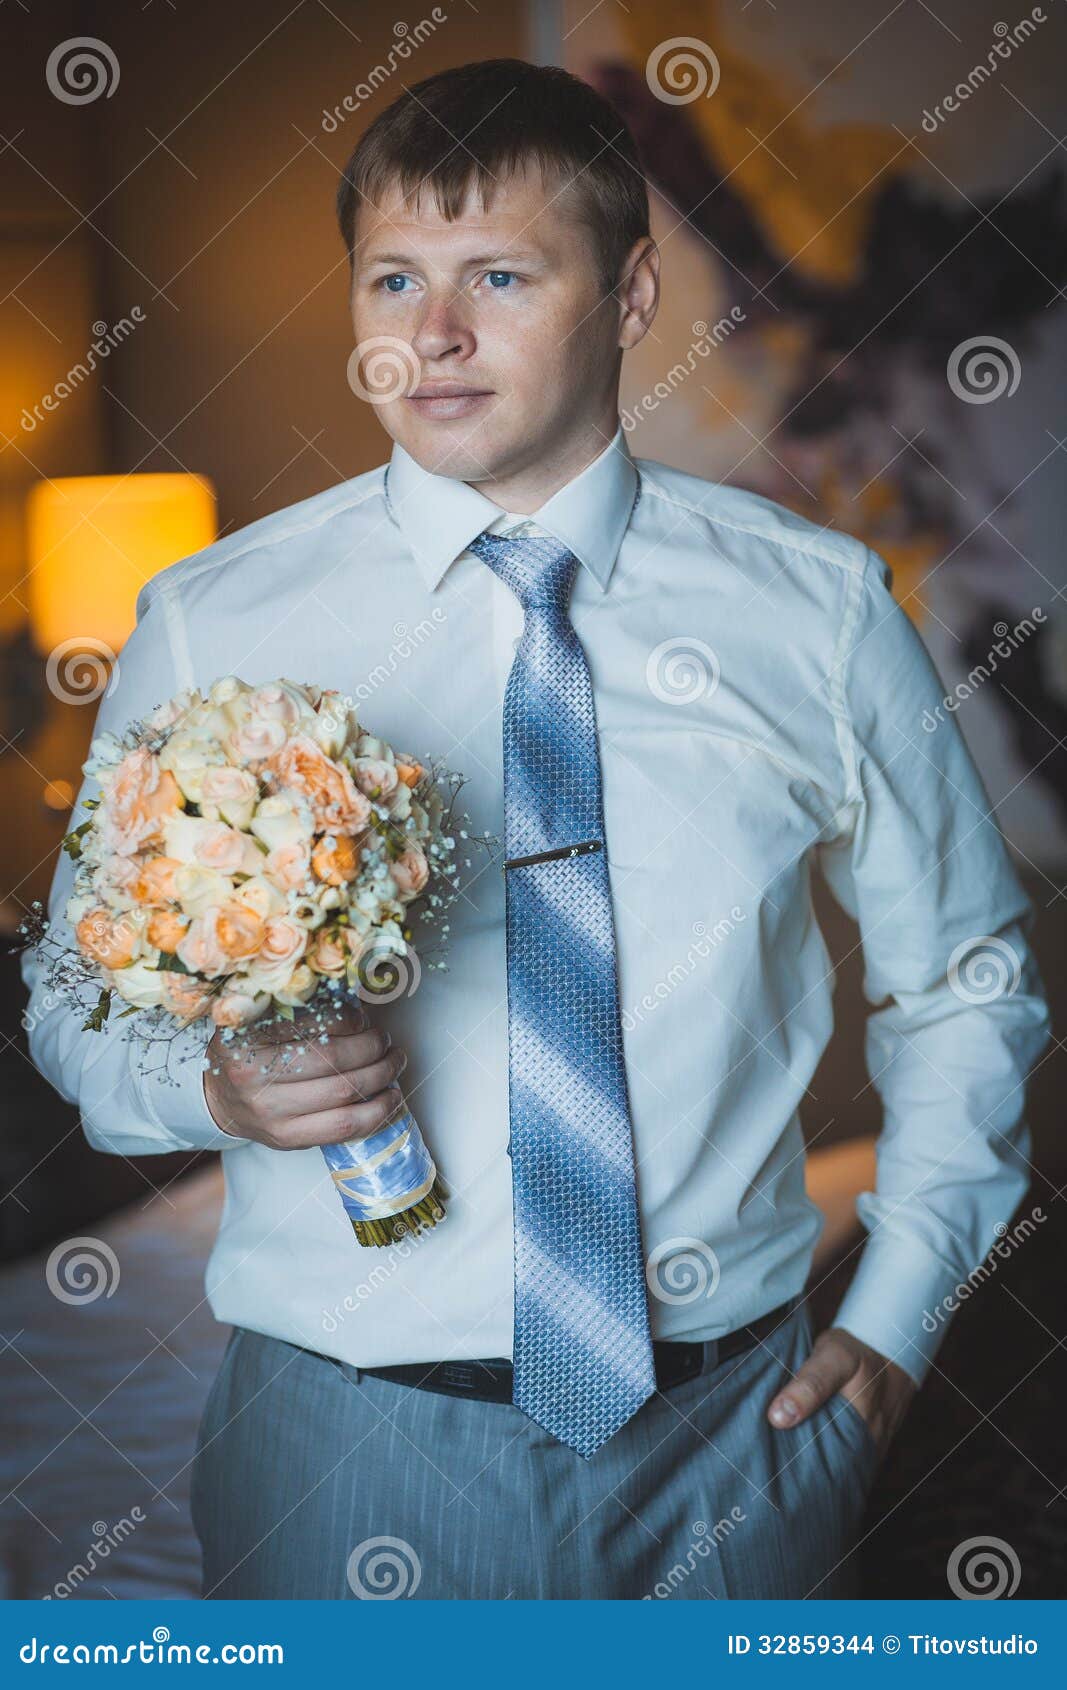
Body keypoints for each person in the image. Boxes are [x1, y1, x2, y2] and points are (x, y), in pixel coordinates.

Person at [23, 59, 1049, 1601]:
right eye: (393, 280)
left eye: (498, 276)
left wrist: (897, 1312)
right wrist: (217, 1084)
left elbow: (967, 976)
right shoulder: (210, 621)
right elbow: (71, 1009)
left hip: (739, 1444)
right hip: (344, 1452)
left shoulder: (816, 610)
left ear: (632, 295)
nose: (430, 337)